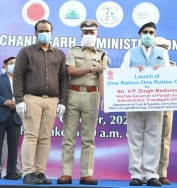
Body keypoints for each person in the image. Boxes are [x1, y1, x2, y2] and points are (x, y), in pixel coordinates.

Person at [13, 19, 68, 184]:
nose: (45, 33)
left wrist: (63, 102)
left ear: (52, 33)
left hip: (51, 101)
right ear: (35, 33)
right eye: (41, 31)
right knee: (31, 135)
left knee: (45, 138)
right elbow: (18, 76)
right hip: (31, 99)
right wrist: (19, 100)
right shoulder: (26, 52)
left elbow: (64, 79)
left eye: (47, 31)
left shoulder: (59, 54)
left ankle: (40, 172)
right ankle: (28, 173)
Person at [57, 19, 108, 185]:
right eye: (86, 33)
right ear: (81, 34)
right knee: (68, 138)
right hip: (73, 94)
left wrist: (104, 99)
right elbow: (70, 70)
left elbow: (102, 77)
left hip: (92, 96)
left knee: (88, 138)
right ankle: (66, 174)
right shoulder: (73, 51)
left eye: (92, 33)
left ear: (97, 35)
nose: (89, 35)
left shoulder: (102, 54)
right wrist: (91, 68)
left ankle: (86, 174)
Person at [120, 22, 170, 187]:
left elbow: (169, 76)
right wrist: (132, 71)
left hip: (155, 102)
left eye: (151, 32)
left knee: (154, 138)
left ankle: (150, 174)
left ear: (155, 36)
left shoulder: (162, 53)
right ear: (140, 35)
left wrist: (161, 71)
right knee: (134, 137)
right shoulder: (131, 53)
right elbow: (122, 74)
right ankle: (136, 174)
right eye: (145, 32)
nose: (148, 35)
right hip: (134, 102)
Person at [154, 37, 176, 185]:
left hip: (167, 106)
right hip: (147, 106)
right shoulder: (143, 65)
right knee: (145, 140)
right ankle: (145, 173)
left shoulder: (173, 67)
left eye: (166, 49)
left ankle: (161, 173)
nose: (164, 51)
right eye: (160, 48)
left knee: (164, 140)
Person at [0, 57, 22, 180]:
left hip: (15, 116)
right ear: (5, 65)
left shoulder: (23, 81)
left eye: (16, 63)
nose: (14, 65)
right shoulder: (0, 78)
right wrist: (5, 102)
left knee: (13, 146)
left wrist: (17, 102)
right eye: (11, 63)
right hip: (1, 115)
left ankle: (11, 172)